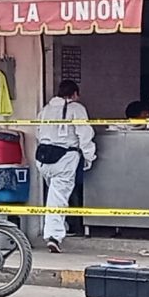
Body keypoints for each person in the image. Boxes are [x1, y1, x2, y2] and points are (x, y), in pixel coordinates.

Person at [34, 79, 95, 253]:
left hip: (43, 157)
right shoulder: (76, 109)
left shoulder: (45, 110)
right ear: (74, 94)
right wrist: (89, 156)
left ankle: (61, 226)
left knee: (53, 196)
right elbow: (84, 134)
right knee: (58, 198)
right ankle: (53, 236)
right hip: (65, 158)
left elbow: (37, 132)